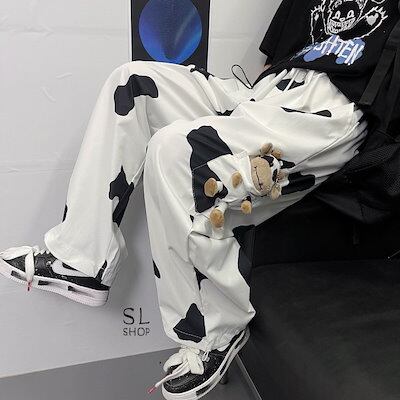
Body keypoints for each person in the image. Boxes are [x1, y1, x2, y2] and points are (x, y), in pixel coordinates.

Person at [1, 0, 398, 399]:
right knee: (133, 81)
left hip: (328, 111)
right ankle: (82, 257)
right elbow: (272, 60)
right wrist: (243, 115)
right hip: (268, 92)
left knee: (175, 149)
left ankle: (214, 335)